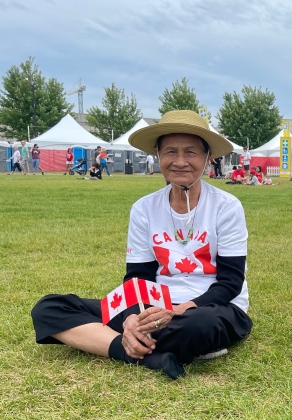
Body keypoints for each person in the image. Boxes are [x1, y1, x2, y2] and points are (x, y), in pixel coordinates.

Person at [31, 110, 252, 379]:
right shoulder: (144, 208)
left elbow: (230, 283)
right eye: (170, 152)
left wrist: (179, 310)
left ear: (207, 159)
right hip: (154, 308)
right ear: (158, 155)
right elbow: (138, 277)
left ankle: (116, 341)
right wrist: (133, 318)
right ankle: (137, 352)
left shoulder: (226, 207)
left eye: (191, 152)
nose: (180, 161)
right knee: (50, 307)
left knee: (199, 327)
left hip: (209, 309)